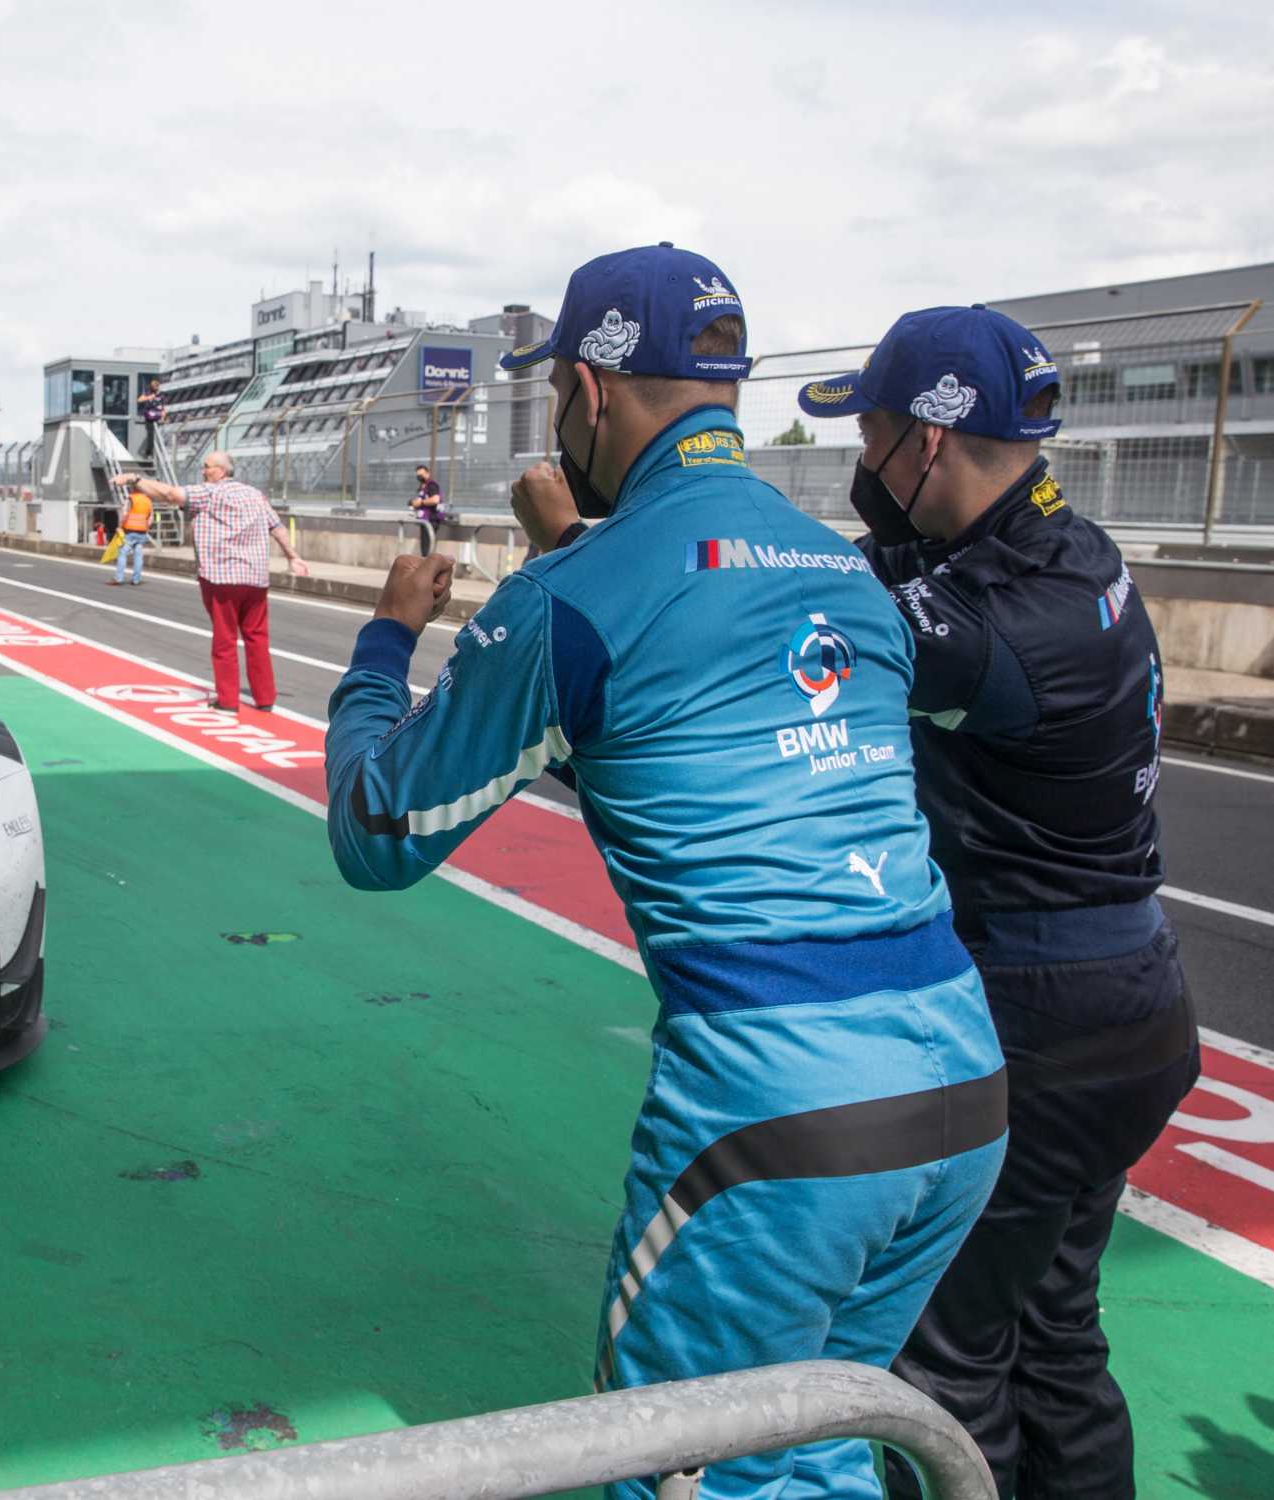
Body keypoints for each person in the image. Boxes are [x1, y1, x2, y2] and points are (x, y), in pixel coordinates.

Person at [324, 244, 1006, 1500]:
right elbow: (677, 729)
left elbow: (376, 833)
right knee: (814, 1446)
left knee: (682, 1472)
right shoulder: (838, 566)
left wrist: (383, 644)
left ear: (586, 389)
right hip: (959, 1085)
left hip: (777, 1115)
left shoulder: (567, 599)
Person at [796, 308, 1201, 1500]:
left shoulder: (988, 625)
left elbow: (816, 640)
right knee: (1054, 1333)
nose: (854, 465)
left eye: (866, 433)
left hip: (1038, 1021)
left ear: (928, 441)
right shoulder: (1063, 553)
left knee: (942, 1357)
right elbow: (896, 578)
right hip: (1123, 1006)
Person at [124, 452, 309, 712]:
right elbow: (276, 527)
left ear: (221, 471)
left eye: (207, 467)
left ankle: (228, 700)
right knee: (257, 638)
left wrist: (135, 479)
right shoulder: (255, 495)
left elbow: (168, 494)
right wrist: (293, 557)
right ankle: (265, 697)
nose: (203, 471)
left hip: (222, 577)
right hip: (255, 578)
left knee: (225, 639)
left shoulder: (209, 493)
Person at [107, 479, 155, 587]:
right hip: (142, 532)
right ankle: (136, 580)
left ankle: (119, 578)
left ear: (132, 488)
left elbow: (124, 514)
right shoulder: (148, 500)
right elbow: (151, 517)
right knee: (138, 556)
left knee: (122, 553)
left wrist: (119, 526)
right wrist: (146, 527)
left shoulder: (130, 499)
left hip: (129, 531)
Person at [409, 464, 446, 556]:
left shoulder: (432, 485)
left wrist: (421, 502)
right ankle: (426, 563)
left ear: (427, 473)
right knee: (424, 545)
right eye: (418, 476)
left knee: (427, 546)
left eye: (421, 475)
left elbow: (435, 500)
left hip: (432, 519)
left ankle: (427, 565)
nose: (420, 477)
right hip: (425, 519)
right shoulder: (422, 487)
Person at [136, 375, 165, 460]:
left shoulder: (161, 395)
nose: (155, 387)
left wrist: (163, 418)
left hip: (157, 416)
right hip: (149, 416)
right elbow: (139, 400)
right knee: (150, 433)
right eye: (153, 385)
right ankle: (149, 453)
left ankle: (156, 453)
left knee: (157, 434)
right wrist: (149, 397)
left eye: (156, 385)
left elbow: (163, 408)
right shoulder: (148, 392)